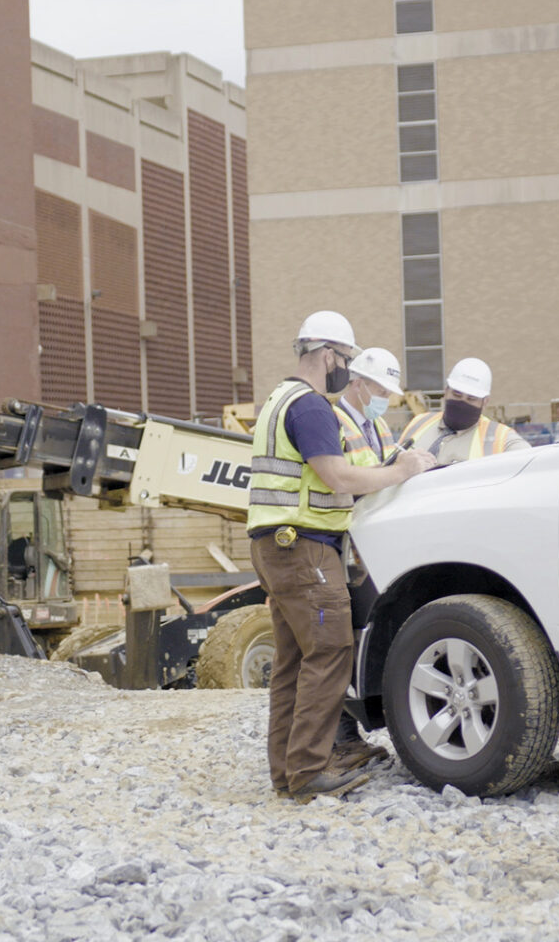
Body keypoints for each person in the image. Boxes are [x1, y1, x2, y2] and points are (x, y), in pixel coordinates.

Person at [248, 312, 436, 804]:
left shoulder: (277, 399)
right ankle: (309, 771)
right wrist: (401, 472)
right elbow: (338, 477)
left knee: (294, 661)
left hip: (278, 546)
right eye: (345, 360)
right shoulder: (310, 407)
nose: (345, 369)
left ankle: (287, 772)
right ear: (329, 354)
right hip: (304, 547)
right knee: (331, 651)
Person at [331, 347, 405, 769]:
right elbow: (342, 479)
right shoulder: (336, 421)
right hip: (339, 545)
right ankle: (339, 736)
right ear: (357, 382)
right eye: (380, 388)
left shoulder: (375, 425)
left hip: (366, 548)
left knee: (355, 636)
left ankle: (347, 735)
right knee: (338, 642)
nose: (386, 398)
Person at [399, 358, 530, 464]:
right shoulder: (419, 422)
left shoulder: (501, 438)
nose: (462, 402)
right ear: (446, 391)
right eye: (457, 395)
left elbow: (532, 464)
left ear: (485, 402)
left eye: (471, 398)